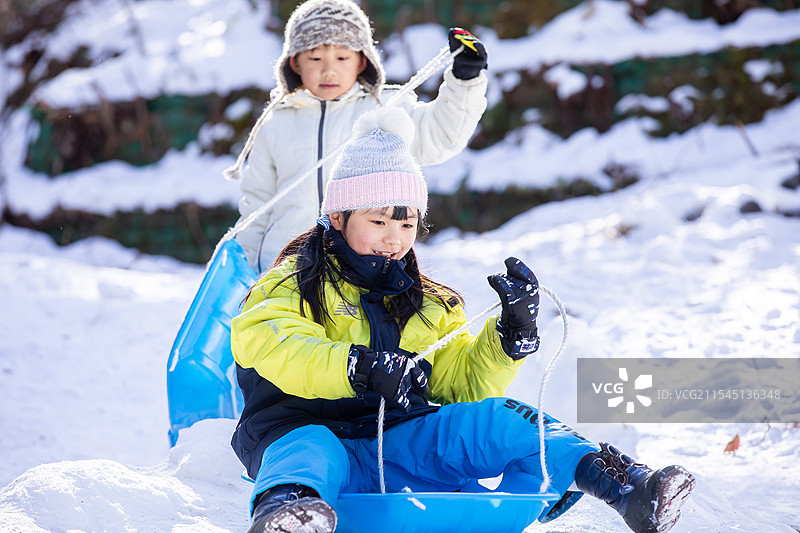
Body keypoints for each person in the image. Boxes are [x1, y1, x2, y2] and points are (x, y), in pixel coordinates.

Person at [230, 107, 696, 533]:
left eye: (407, 224)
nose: (395, 239)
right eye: (379, 222)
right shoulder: (292, 282)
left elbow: (458, 386)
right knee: (312, 449)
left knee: (503, 419)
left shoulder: (426, 303)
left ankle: (628, 489)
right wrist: (358, 366)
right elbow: (269, 342)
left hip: (396, 441)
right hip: (300, 434)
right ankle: (289, 516)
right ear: (338, 214)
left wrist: (509, 338)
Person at [223, 0, 490, 274]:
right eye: (315, 58)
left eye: (342, 57)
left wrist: (465, 79)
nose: (329, 70)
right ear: (295, 63)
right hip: (285, 269)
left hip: (363, 268)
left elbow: (441, 135)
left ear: (362, 61)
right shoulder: (275, 122)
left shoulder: (386, 110)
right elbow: (257, 202)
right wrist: (249, 268)